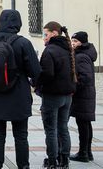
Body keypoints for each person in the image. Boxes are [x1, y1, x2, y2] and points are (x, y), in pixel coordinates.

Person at [0, 9, 41, 169]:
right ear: (18, 23)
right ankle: (23, 166)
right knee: (21, 136)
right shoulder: (24, 43)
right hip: (19, 96)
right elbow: (35, 71)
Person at [37, 22, 76, 168]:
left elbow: (47, 74)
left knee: (51, 130)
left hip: (53, 95)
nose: (43, 38)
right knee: (63, 128)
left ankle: (52, 161)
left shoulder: (50, 50)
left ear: (54, 33)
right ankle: (64, 159)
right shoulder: (68, 49)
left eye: (45, 35)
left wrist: (36, 83)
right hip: (67, 95)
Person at [70, 31, 97, 163]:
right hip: (86, 95)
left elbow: (85, 77)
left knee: (83, 124)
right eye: (72, 41)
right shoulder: (84, 54)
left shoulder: (81, 56)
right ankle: (88, 152)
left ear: (82, 42)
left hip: (83, 95)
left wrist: (75, 88)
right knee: (85, 123)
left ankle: (83, 153)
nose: (73, 43)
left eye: (75, 41)